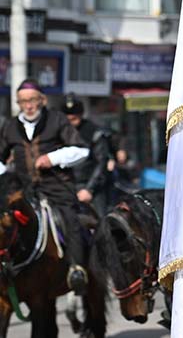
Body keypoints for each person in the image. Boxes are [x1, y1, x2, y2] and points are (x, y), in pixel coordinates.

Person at [0, 80, 91, 292]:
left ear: (42, 100)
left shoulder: (57, 119)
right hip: (22, 190)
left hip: (56, 186)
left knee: (70, 218)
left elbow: (82, 150)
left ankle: (76, 269)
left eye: (32, 100)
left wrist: (53, 157)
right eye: (23, 101)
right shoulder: (10, 126)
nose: (28, 106)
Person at [63, 93, 112, 216]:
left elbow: (101, 162)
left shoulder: (94, 132)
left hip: (91, 186)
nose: (71, 123)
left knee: (102, 224)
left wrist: (89, 189)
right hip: (67, 187)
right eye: (68, 119)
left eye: (74, 119)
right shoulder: (59, 133)